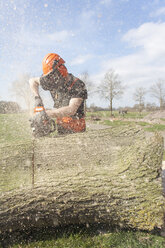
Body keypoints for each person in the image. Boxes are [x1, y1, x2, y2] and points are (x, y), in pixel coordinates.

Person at [29, 53, 87, 135]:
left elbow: (71, 109)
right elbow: (32, 81)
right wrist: (37, 98)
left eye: (53, 75)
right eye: (49, 77)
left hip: (77, 131)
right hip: (61, 129)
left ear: (61, 69)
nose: (51, 79)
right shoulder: (50, 81)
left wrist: (46, 114)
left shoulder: (77, 84)